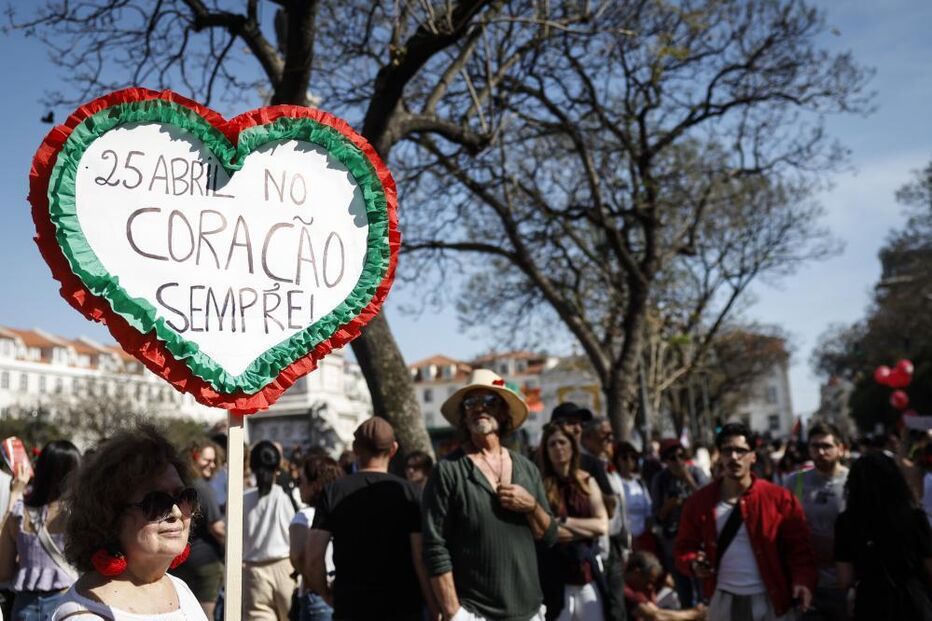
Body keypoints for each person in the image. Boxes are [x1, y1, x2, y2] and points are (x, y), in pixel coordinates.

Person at [423, 369, 557, 621]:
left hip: (530, 611)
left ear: (504, 412)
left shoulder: (526, 468)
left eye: (489, 401)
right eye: (470, 402)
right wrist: (454, 612)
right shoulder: (448, 470)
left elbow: (548, 536)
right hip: (476, 612)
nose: (479, 408)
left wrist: (531, 506)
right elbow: (434, 546)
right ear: (463, 415)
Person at [50, 425, 206, 620]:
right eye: (156, 501)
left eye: (183, 496)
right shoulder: (85, 616)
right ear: (111, 516)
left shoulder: (180, 589)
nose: (175, 511)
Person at [674, 422, 816, 621]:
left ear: (753, 456)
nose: (734, 457)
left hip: (772, 600)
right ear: (719, 456)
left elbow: (800, 550)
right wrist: (694, 564)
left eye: (741, 451)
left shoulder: (778, 498)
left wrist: (803, 582)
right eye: (727, 451)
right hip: (723, 600)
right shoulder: (699, 503)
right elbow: (683, 548)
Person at [306, 418, 434, 621]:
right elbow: (420, 557)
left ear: (356, 449)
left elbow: (313, 559)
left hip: (352, 608)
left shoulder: (333, 492)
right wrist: (433, 606)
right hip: (403, 607)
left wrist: (327, 594)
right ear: (393, 449)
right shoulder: (411, 493)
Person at [834, 451, 932, 620]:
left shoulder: (846, 522)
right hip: (913, 601)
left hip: (870, 603)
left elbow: (844, 579)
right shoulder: (915, 517)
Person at [0, 441, 80, 620]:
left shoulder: (19, 513)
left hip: (24, 608)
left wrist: (15, 494)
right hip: (66, 605)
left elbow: (3, 571)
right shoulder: (78, 515)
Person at [538, 422, 609, 620]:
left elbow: (602, 526)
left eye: (562, 442)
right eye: (552, 444)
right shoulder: (540, 486)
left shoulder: (587, 482)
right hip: (556, 579)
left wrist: (564, 520)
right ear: (546, 451)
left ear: (571, 446)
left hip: (587, 575)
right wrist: (586, 529)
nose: (558, 448)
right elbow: (545, 532)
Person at [783, 422, 849, 621]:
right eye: (815, 446)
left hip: (844, 585)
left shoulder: (854, 481)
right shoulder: (795, 482)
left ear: (840, 449)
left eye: (827, 446)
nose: (820, 452)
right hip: (808, 585)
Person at [169, 439, 225, 619]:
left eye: (214, 460)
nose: (212, 465)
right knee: (205, 615)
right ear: (194, 459)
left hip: (182, 561)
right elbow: (216, 527)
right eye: (207, 460)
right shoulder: (203, 488)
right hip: (205, 565)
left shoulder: (182, 484)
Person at [242, 441, 297, 621]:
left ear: (251, 467)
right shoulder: (289, 496)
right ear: (278, 468)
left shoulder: (241, 500)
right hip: (286, 568)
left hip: (254, 573)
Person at [651, 440, 707, 608]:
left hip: (698, 539)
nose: (677, 461)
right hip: (673, 540)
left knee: (703, 587)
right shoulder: (660, 480)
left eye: (681, 456)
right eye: (672, 458)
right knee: (683, 590)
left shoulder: (696, 472)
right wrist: (668, 506)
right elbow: (657, 516)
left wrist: (688, 479)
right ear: (665, 461)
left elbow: (707, 500)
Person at [580, 417, 626, 621]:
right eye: (604, 436)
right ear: (588, 439)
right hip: (600, 547)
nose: (610, 439)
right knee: (609, 608)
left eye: (611, 435)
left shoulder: (608, 465)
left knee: (618, 605)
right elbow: (609, 508)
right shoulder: (587, 466)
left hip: (616, 544)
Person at [290, 455, 343, 621]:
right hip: (342, 592)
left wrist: (316, 583)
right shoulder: (343, 512)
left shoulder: (303, 517)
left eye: (301, 481)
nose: (298, 487)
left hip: (316, 594)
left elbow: (297, 556)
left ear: (314, 486)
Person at [623, 552, 706, 621]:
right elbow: (655, 616)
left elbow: (655, 611)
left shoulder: (635, 588)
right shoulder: (625, 591)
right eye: (648, 581)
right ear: (636, 573)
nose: (650, 587)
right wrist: (695, 614)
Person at [613, 442, 655, 556]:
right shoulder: (615, 483)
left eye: (633, 457)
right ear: (617, 460)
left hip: (643, 540)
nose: (629, 461)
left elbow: (648, 513)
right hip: (624, 542)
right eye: (624, 458)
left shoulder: (640, 483)